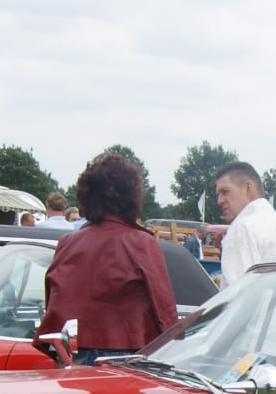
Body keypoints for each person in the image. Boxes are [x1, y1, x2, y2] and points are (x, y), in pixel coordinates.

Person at [38, 153, 178, 365]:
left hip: (74, 352)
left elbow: (53, 299)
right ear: (132, 196)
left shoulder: (67, 243)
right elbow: (164, 309)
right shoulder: (140, 242)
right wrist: (176, 349)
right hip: (126, 354)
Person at [214, 161, 276, 287]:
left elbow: (237, 296)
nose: (219, 201)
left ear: (248, 187)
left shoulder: (242, 228)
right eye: (218, 194)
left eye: (225, 192)